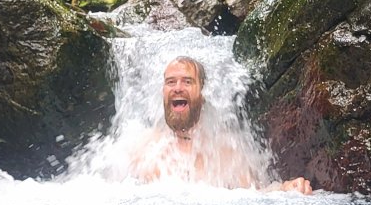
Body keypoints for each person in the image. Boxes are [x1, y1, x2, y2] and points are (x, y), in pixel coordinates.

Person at [128, 56, 312, 194]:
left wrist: (287, 188)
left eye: (187, 81)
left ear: (202, 93)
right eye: (170, 82)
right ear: (163, 91)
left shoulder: (226, 153)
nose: (177, 88)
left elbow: (258, 196)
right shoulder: (142, 150)